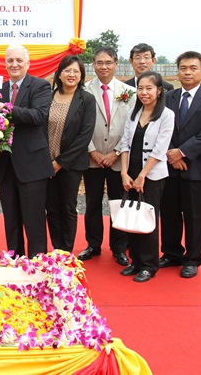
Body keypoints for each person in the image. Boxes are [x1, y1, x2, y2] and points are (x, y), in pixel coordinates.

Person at [159, 51, 201, 278]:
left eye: (193, 68)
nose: (187, 72)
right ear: (177, 71)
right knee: (169, 212)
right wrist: (172, 155)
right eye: (183, 68)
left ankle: (193, 258)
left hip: (197, 166)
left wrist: (182, 153)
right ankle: (171, 253)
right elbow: (163, 129)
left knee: (195, 215)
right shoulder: (168, 98)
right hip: (169, 165)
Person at [0, 44, 53, 258]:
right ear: (5, 64)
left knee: (34, 219)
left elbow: (38, 116)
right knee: (11, 219)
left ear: (28, 63)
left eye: (19, 60)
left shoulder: (40, 86)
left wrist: (6, 109)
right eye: (10, 60)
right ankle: (14, 260)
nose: (14, 64)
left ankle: (37, 263)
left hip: (32, 165)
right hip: (5, 164)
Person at [118, 71, 175, 283]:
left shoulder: (167, 115)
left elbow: (160, 149)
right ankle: (136, 261)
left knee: (148, 219)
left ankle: (149, 265)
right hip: (130, 174)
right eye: (140, 88)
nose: (144, 93)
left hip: (151, 175)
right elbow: (125, 144)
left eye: (149, 88)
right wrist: (124, 172)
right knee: (132, 219)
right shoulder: (134, 114)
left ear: (159, 90)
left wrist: (143, 175)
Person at [78, 47, 133, 266]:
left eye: (108, 62)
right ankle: (93, 244)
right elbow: (81, 125)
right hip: (92, 157)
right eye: (99, 63)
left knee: (118, 203)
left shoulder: (129, 92)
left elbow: (131, 127)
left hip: (118, 159)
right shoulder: (84, 90)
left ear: (116, 64)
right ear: (93, 64)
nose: (104, 67)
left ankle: (119, 248)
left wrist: (116, 152)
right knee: (92, 203)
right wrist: (92, 151)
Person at [46, 55, 96, 253]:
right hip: (46, 163)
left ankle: (66, 251)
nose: (71, 74)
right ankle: (56, 248)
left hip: (71, 164)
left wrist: (59, 163)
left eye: (76, 71)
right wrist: (47, 161)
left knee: (67, 206)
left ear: (81, 75)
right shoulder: (48, 96)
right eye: (67, 70)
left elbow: (84, 136)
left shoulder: (86, 100)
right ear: (59, 73)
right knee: (51, 208)